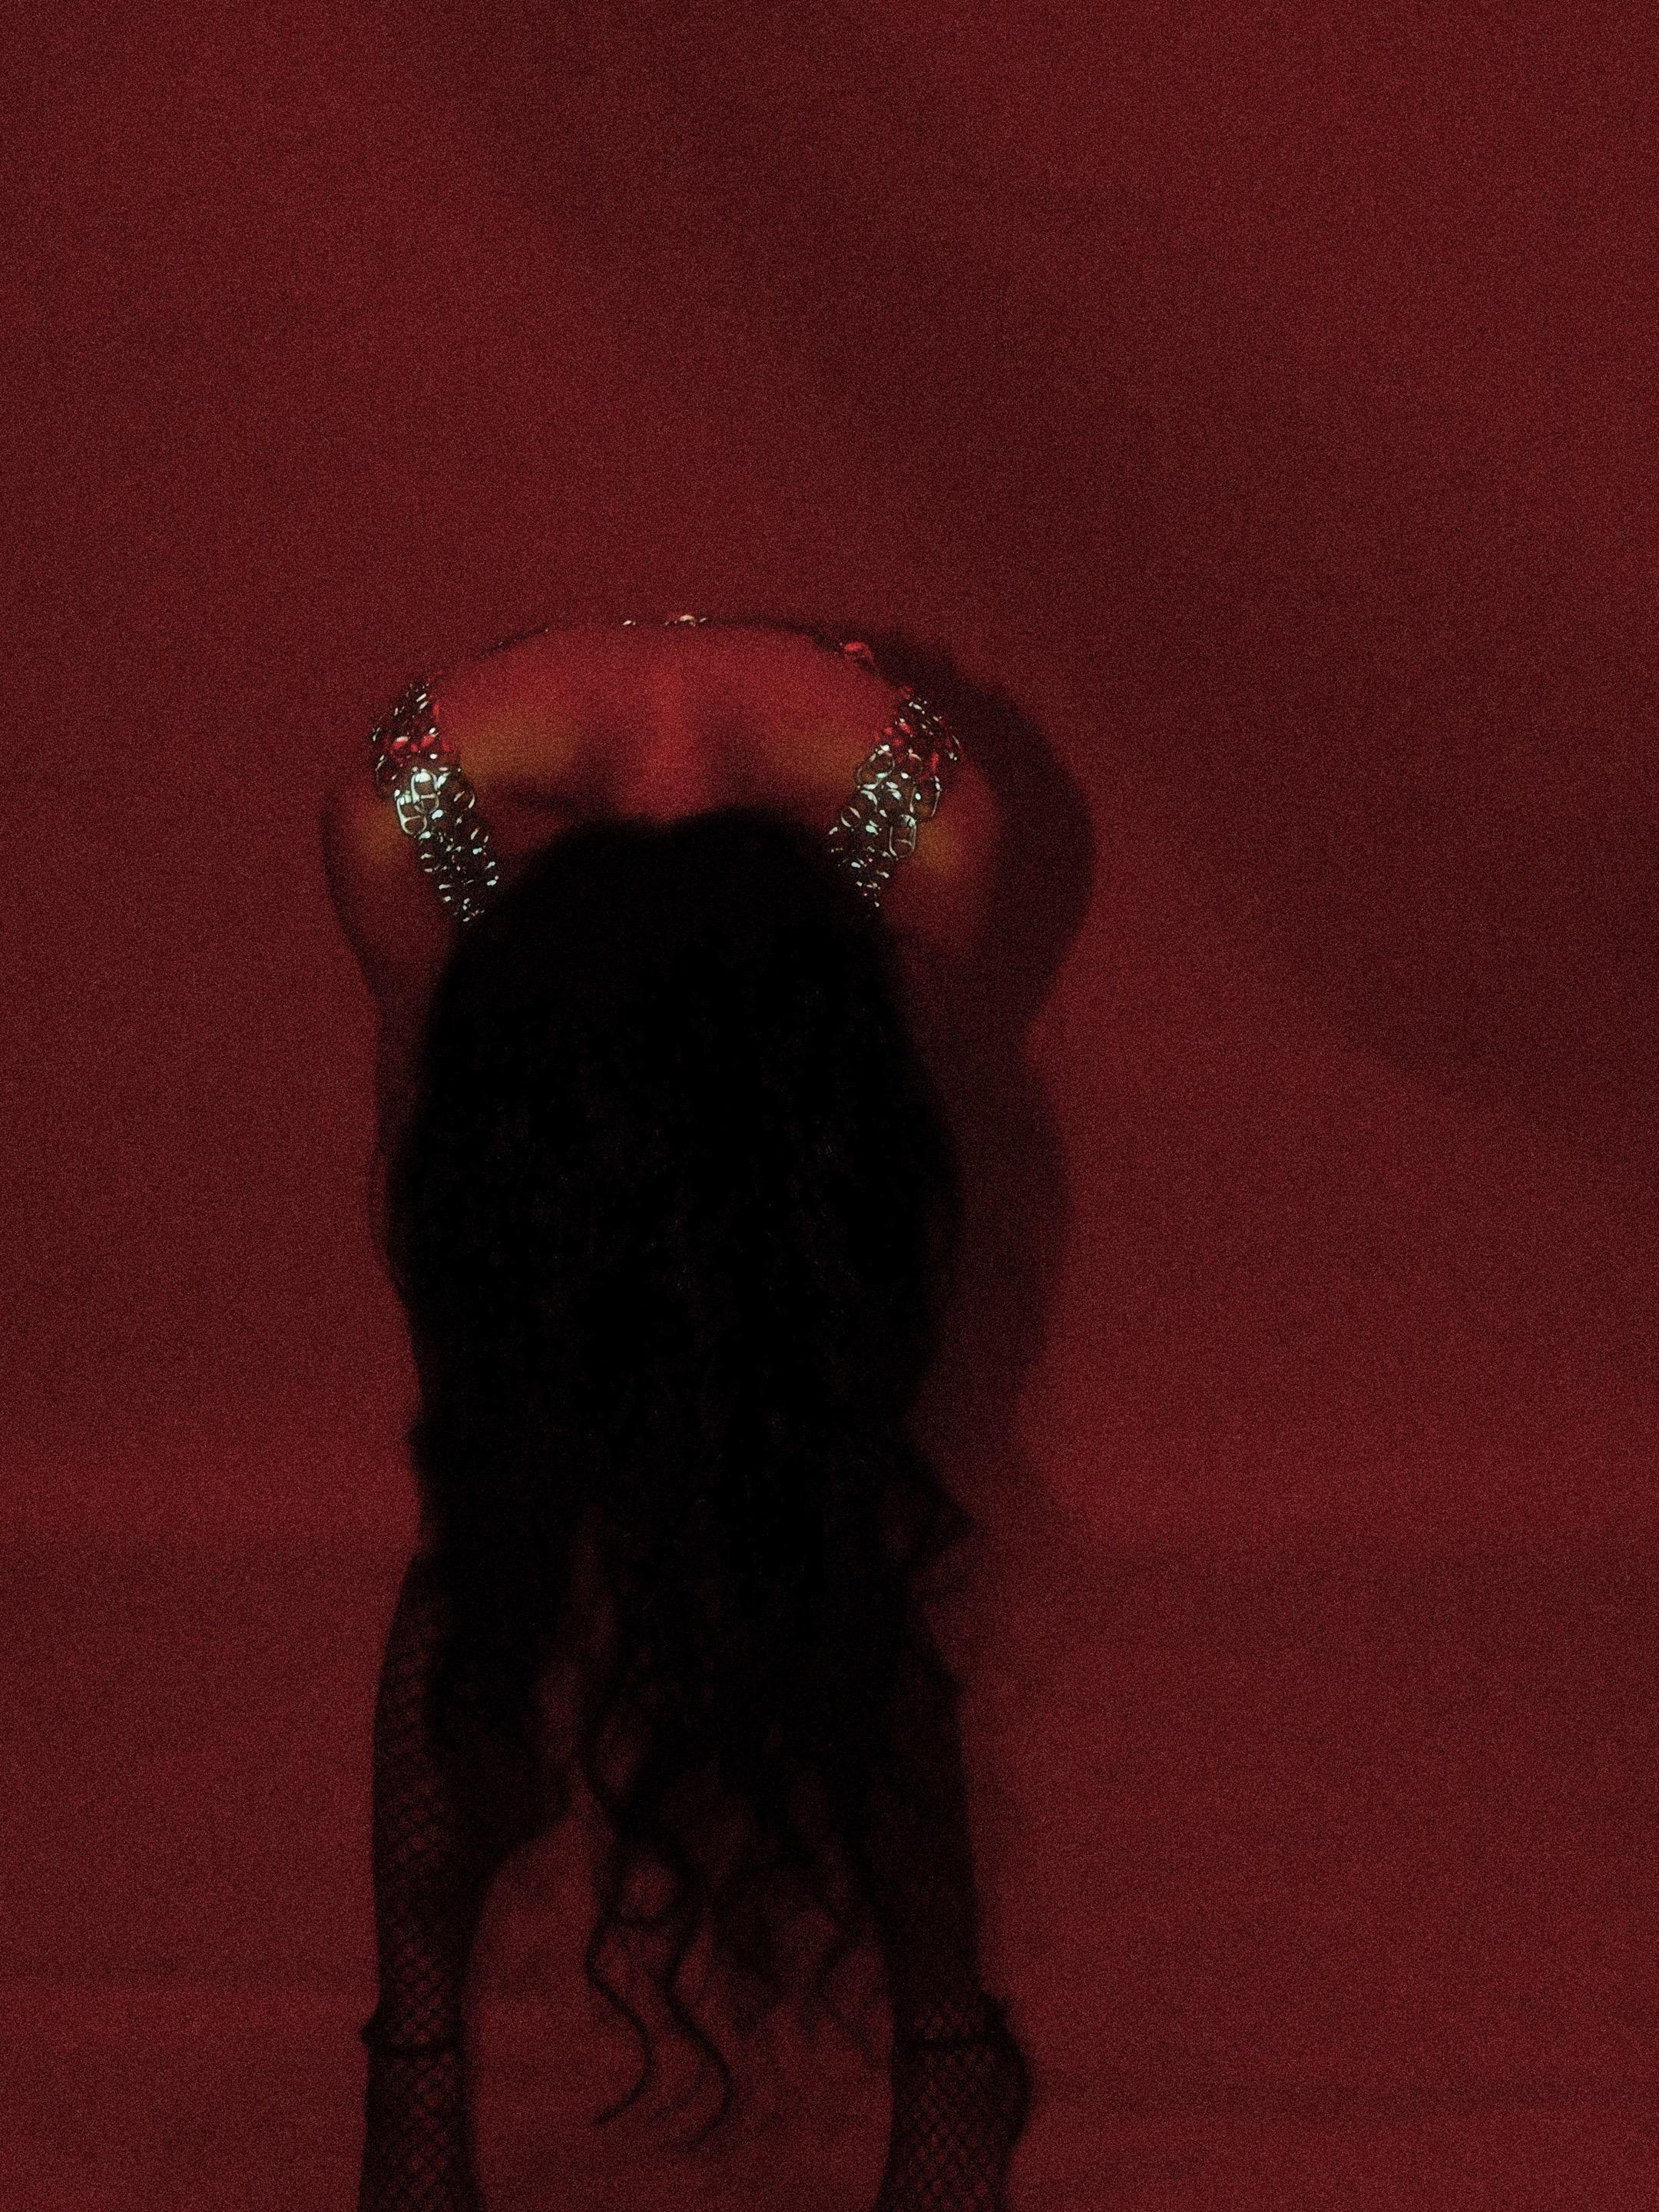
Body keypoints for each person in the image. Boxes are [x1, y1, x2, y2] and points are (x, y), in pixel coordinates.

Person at [320, 611, 1032, 2210]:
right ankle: (413, 2078)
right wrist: (506, 1469)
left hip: (815, 975)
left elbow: (874, 1217)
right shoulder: (409, 818)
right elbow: (437, 1185)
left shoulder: (917, 826)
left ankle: (954, 2059)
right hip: (517, 955)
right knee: (487, 1536)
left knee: (831, 1525)